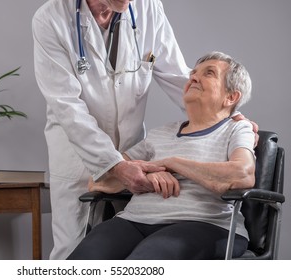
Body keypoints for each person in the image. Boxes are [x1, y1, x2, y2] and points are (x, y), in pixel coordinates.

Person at [32, 0, 191, 259]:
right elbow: (67, 106)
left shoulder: (148, 7)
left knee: (126, 248)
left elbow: (178, 77)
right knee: (72, 251)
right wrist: (113, 165)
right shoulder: (50, 18)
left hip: (133, 152)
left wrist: (230, 116)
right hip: (80, 157)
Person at [67, 51, 256, 259]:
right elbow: (99, 181)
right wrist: (146, 174)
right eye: (193, 72)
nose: (193, 77)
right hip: (134, 220)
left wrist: (171, 163)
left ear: (231, 97)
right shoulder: (159, 134)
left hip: (204, 223)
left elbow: (242, 175)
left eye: (208, 73)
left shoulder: (237, 130)